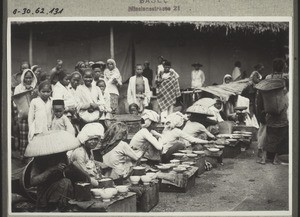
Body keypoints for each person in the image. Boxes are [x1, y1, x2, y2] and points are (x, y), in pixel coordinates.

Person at [256, 58, 289, 165]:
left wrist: (262, 109)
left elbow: (261, 94)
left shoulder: (268, 78)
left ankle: (264, 158)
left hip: (269, 111)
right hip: (282, 111)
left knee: (269, 135)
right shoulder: (285, 78)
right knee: (280, 135)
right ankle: (275, 159)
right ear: (283, 66)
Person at [69, 123, 105, 187]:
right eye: (90, 139)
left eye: (96, 139)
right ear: (85, 140)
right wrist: (98, 183)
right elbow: (83, 174)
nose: (93, 142)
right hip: (79, 182)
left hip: (87, 179)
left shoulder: (89, 150)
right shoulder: (80, 152)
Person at [13, 69, 38, 159]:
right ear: (23, 78)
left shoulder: (35, 88)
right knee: (23, 137)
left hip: (34, 116)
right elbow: (15, 102)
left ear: (33, 78)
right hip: (23, 117)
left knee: (32, 136)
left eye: (30, 78)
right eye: (26, 78)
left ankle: (32, 157)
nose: (28, 80)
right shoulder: (18, 88)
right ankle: (23, 156)